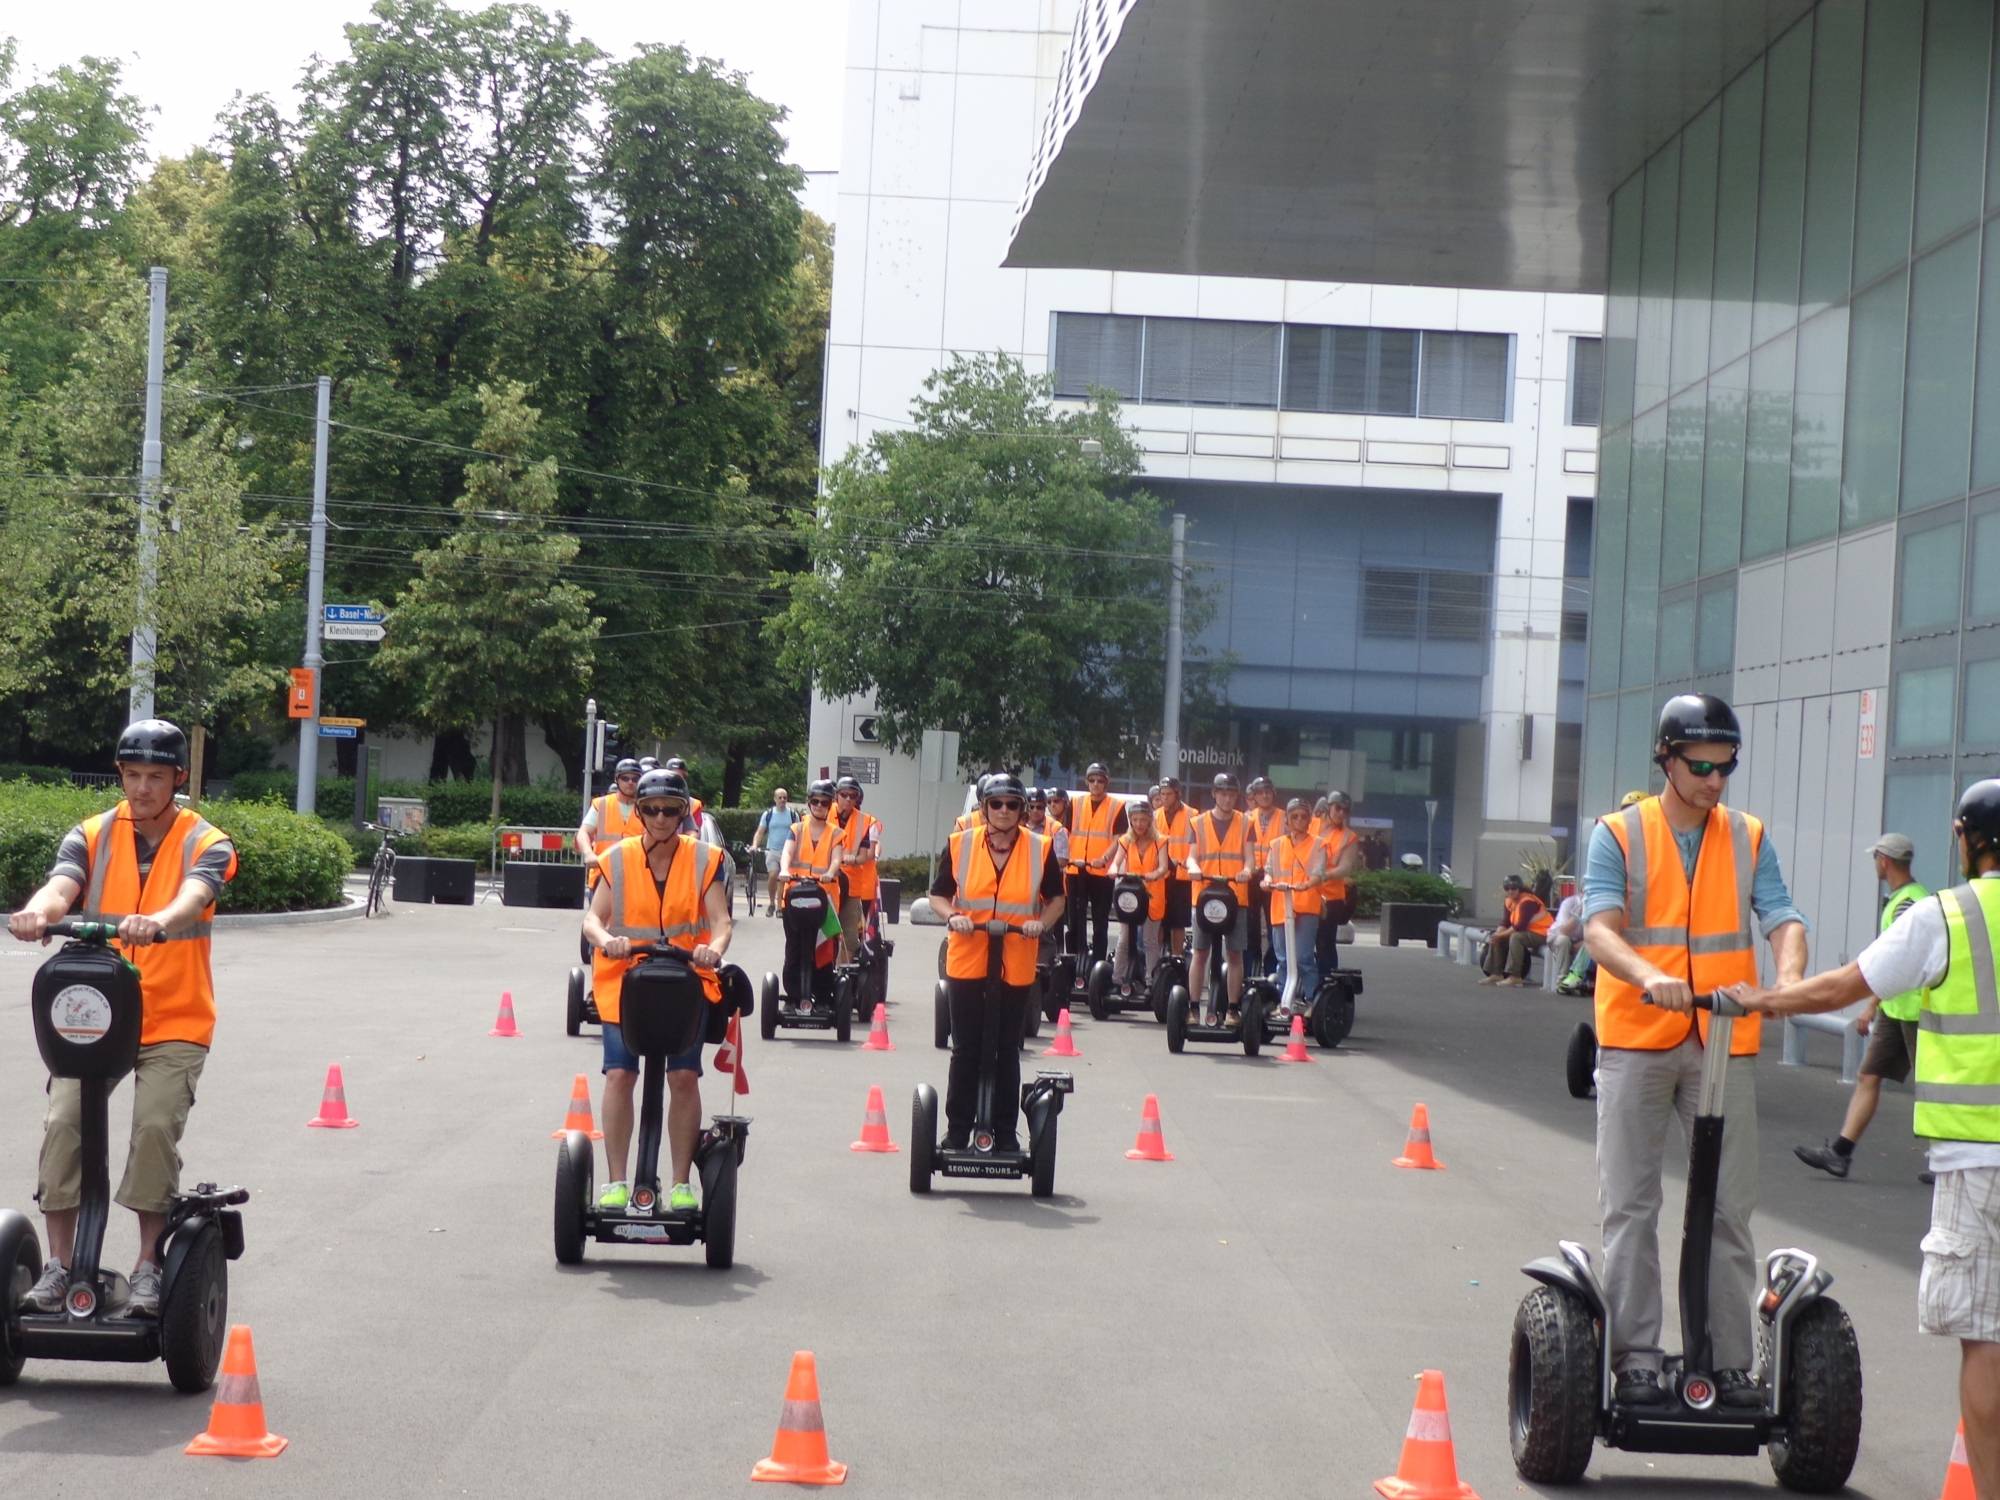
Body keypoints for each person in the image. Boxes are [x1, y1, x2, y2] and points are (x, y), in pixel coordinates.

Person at [1737, 782, 2000, 1494]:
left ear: (1963, 837)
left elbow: (1841, 987)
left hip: (1978, 1163)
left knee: (1987, 1342)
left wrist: (1761, 998)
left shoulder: (1948, 914)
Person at [1583, 692, 1806, 1410]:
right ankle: (1639, 1358)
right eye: (1702, 766)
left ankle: (1730, 1363)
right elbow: (1599, 929)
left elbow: (1782, 915)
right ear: (1666, 759)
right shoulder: (1618, 834)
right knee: (1632, 1204)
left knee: (1727, 1208)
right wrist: (1651, 977)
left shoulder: (1746, 835)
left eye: (1727, 766)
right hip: (1637, 1039)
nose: (1715, 781)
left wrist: (1789, 979)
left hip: (1722, 1046)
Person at [10, 719, 237, 1316]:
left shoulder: (206, 841)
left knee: (154, 1126)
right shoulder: (91, 834)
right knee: (63, 1122)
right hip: (98, 1015)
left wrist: (160, 918)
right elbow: (61, 887)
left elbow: (196, 893)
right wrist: (38, 912)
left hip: (174, 1019)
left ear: (179, 779)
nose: (142, 789)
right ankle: (58, 1266)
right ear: (121, 775)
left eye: (155, 778)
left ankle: (146, 1268)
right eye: (132, 776)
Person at [581, 769, 732, 1214]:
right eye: (651, 809)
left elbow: (721, 921)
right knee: (620, 1074)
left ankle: (683, 1183)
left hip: (686, 980)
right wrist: (607, 940)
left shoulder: (706, 859)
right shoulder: (618, 857)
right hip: (625, 982)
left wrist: (714, 949)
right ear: (639, 811)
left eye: (670, 809)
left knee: (683, 1077)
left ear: (684, 812)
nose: (661, 818)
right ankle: (615, 1182)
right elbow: (593, 918)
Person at [928, 773, 1066, 1151]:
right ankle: (957, 1130)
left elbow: (1056, 898)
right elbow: (939, 895)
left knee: (1007, 1048)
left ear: (1022, 810)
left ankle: (1005, 1133)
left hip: (1017, 957)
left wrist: (1042, 922)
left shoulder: (1041, 847)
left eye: (1011, 804)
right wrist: (951, 915)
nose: (1003, 811)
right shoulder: (960, 844)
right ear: (985, 808)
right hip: (968, 956)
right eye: (996, 804)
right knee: (966, 1048)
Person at [1792, 833, 1932, 1182]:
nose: (1875, 864)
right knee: (1868, 1075)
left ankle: (1947, 1163)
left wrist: (1870, 1005)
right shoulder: (1905, 898)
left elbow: (1899, 961)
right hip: (1896, 1007)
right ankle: (1840, 1153)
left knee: (1932, 1088)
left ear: (1884, 860)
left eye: (1875, 859)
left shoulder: (1908, 904)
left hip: (1915, 1011)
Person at [1187, 772, 1252, 1025]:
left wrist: (1247, 870)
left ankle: (1233, 1009)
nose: (1227, 798)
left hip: (1236, 896)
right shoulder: (1198, 822)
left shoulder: (1246, 823)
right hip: (1204, 896)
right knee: (1200, 952)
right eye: (1222, 793)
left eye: (1231, 794)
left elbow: (1250, 857)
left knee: (1234, 954)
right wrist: (1193, 866)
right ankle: (1193, 1008)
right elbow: (1192, 855)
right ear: (1214, 794)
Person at [778, 780, 844, 1009]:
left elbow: (836, 858)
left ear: (830, 806)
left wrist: (830, 872)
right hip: (795, 897)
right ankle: (795, 997)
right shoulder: (796, 829)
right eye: (815, 801)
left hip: (823, 899)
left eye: (824, 802)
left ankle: (823, 997)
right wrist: (785, 870)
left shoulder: (836, 833)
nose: (819, 806)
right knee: (794, 949)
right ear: (808, 803)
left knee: (823, 950)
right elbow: (787, 852)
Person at [1263, 798, 1325, 1013]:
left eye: (1303, 816)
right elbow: (1269, 869)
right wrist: (1267, 881)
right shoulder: (1276, 844)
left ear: (1309, 820)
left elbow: (1319, 872)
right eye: (1294, 816)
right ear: (1287, 820)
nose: (1299, 820)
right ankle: (1283, 1000)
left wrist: (1307, 884)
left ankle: (1310, 1000)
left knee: (1303, 957)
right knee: (1282, 958)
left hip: (1306, 905)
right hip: (1281, 905)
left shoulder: (1318, 843)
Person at [1064, 762, 1127, 974]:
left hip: (1100, 872)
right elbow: (1065, 833)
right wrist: (1064, 859)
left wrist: (1105, 858)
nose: (1096, 784)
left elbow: (1120, 838)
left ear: (1106, 783)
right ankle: (1072, 963)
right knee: (1075, 921)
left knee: (1100, 923)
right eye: (1092, 780)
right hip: (1075, 869)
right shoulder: (1075, 803)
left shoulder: (1116, 806)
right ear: (1086, 782)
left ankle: (1098, 969)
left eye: (1100, 781)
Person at [1106, 799, 1167, 995]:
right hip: (1130, 895)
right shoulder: (1125, 840)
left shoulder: (1161, 841)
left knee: (1149, 939)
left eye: (1143, 820)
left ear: (1150, 820)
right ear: (1130, 821)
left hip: (1152, 895)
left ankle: (1151, 981)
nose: (1139, 824)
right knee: (1124, 939)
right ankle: (1117, 979)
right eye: (1135, 820)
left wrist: (1154, 874)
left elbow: (1164, 867)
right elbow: (1116, 862)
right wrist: (1114, 869)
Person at [576, 758, 644, 900]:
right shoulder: (601, 804)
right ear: (616, 780)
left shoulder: (647, 807)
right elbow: (584, 832)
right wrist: (588, 853)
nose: (630, 782)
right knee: (598, 920)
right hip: (603, 876)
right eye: (625, 778)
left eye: (635, 778)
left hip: (638, 879)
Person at [832, 776, 882, 962]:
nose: (848, 799)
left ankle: (841, 977)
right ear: (836, 796)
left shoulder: (865, 822)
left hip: (851, 887)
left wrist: (852, 859)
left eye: (852, 796)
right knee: (821, 935)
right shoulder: (823, 814)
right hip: (825, 884)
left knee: (850, 937)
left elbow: (866, 854)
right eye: (844, 795)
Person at [1314, 790, 1363, 975]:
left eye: (1345, 811)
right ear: (1329, 807)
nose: (1341, 813)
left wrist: (1323, 875)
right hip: (1305, 894)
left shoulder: (1348, 837)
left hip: (1331, 897)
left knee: (1325, 943)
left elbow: (1346, 868)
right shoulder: (1312, 825)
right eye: (1337, 808)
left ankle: (1328, 984)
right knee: (1302, 945)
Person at [1480, 874, 1552, 987]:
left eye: (1513, 888)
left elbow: (1520, 926)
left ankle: (1515, 976)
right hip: (1528, 932)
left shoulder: (1527, 902)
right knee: (1498, 935)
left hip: (1543, 933)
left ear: (1519, 888)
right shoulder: (1509, 901)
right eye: (1507, 888)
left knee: (1516, 937)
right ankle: (1496, 973)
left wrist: (1501, 935)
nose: (1510, 891)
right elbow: (1505, 922)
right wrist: (1498, 934)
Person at [1244, 776, 1283, 973]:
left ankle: (1271, 968)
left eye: (1268, 792)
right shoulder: (1247, 818)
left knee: (1273, 925)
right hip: (1251, 876)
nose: (1265, 796)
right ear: (1255, 796)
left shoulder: (1285, 818)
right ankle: (1251, 966)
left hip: (1274, 879)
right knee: (1250, 926)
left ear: (1273, 794)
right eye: (1260, 793)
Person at [1155, 776, 1193, 957]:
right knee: (1159, 919)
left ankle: (1177, 957)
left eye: (1168, 794)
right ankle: (1158, 957)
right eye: (1162, 794)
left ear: (1177, 794)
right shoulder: (1155, 816)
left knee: (1178, 922)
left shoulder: (1192, 815)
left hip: (1182, 876)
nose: (1165, 798)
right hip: (1160, 876)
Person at [750, 787, 799, 916]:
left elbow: (800, 833)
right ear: (775, 799)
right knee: (773, 875)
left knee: (782, 878)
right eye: (780, 797)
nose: (782, 800)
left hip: (787, 852)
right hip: (772, 850)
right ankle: (771, 903)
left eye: (785, 798)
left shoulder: (793, 815)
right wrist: (755, 845)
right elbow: (760, 832)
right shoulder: (768, 814)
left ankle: (779, 907)